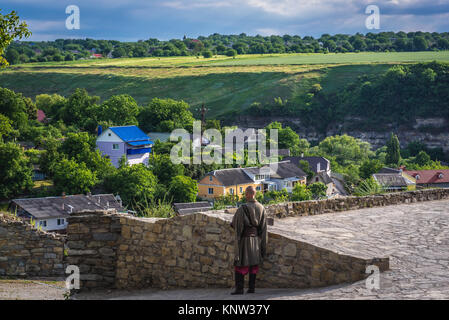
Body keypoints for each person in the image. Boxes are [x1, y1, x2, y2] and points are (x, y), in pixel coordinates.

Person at [230, 186, 267, 294]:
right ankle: (251, 288)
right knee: (253, 264)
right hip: (256, 240)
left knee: (240, 262)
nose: (245, 196)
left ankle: (239, 289)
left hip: (245, 240)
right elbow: (263, 228)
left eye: (246, 194)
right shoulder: (261, 208)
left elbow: (235, 224)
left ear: (249, 194)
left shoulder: (242, 208)